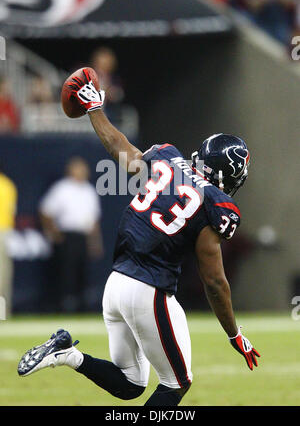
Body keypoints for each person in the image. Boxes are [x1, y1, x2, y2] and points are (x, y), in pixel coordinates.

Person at [18, 70, 260, 406]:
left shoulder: (168, 159)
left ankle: (66, 354)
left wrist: (94, 108)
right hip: (150, 290)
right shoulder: (216, 204)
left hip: (115, 284)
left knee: (131, 384)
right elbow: (214, 280)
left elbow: (122, 150)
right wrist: (235, 334)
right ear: (228, 173)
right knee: (177, 384)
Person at [39, 157, 103, 312]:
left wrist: (95, 242)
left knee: (82, 273)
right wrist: (53, 233)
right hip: (66, 236)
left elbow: (94, 220)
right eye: (79, 168)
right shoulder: (62, 188)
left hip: (82, 237)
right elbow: (45, 211)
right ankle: (63, 307)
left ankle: (80, 307)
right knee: (66, 273)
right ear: (70, 170)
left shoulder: (89, 190)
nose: (83, 171)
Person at [0, 167, 17, 317]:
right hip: (4, 232)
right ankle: (2, 313)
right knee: (3, 275)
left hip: (2, 231)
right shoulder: (8, 185)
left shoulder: (5, 186)